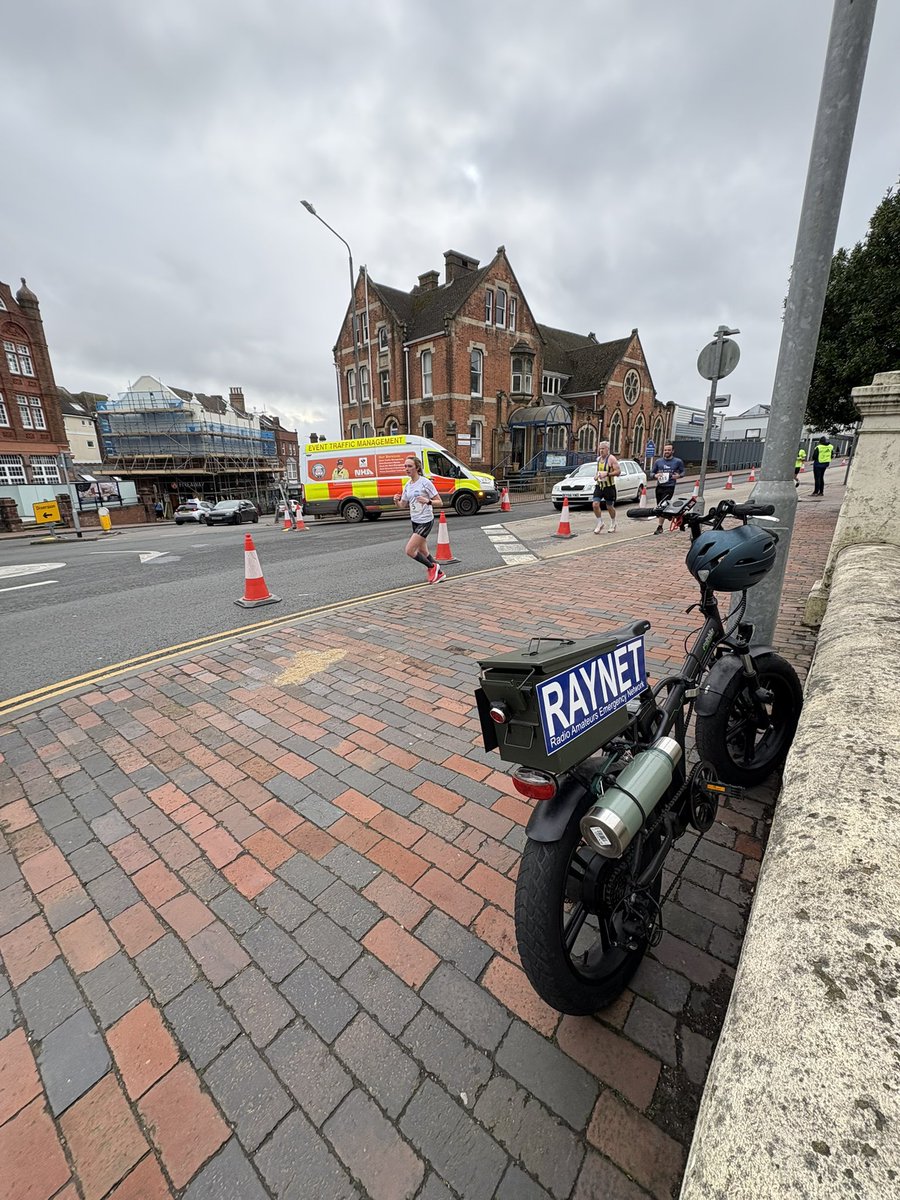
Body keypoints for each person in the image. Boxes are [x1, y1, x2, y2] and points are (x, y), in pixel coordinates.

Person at [394, 455, 445, 583]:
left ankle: (432, 567)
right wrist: (396, 501)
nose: (407, 469)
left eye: (409, 466)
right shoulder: (407, 485)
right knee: (423, 550)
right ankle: (440, 573)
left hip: (425, 520)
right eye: (405, 466)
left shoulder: (425, 482)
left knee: (410, 550)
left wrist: (428, 501)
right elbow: (402, 505)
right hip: (415, 520)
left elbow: (440, 502)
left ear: (417, 468)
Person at [651, 443, 685, 534]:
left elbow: (683, 472)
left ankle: (660, 527)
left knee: (663, 505)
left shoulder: (678, 461)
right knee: (660, 506)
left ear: (672, 451)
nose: (667, 452)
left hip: (669, 486)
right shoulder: (658, 461)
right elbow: (652, 473)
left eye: (669, 450)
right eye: (665, 450)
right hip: (659, 486)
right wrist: (655, 475)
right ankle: (678, 517)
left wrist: (678, 476)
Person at [592, 441, 621, 533]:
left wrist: (607, 474)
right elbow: (598, 472)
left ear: (607, 449)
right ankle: (600, 522)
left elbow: (618, 472)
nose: (601, 450)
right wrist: (596, 476)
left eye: (603, 448)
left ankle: (613, 523)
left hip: (609, 487)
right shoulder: (598, 459)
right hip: (599, 486)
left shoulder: (612, 459)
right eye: (600, 448)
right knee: (595, 504)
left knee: (609, 506)